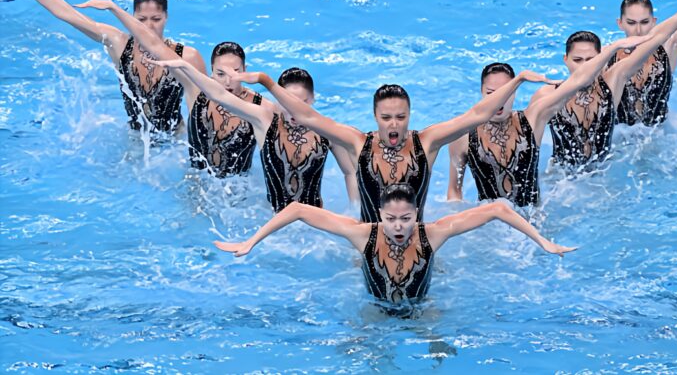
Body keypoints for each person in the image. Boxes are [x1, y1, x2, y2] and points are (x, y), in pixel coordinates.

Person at [77, 0, 359, 209]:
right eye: (220, 74)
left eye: (236, 73)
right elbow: (153, 44)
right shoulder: (204, 93)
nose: (228, 80)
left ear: (245, 71)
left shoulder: (266, 110)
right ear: (210, 74)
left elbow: (336, 147)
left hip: (239, 194)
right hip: (196, 184)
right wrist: (116, 10)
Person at [222, 68, 556, 222]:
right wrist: (267, 83)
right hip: (369, 245)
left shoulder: (428, 141)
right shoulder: (356, 141)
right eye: (386, 117)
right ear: (375, 116)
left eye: (400, 117)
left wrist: (518, 81)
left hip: (417, 242)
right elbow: (307, 117)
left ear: (410, 115)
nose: (393, 124)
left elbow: (478, 113)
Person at [215, 183, 575, 304]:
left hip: (422, 307)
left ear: (416, 214)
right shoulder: (363, 234)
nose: (399, 226)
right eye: (391, 219)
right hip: (374, 308)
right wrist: (251, 242)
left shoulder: (433, 232)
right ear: (380, 216)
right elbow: (295, 209)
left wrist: (543, 243)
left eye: (406, 219)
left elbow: (497, 209)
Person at [446, 34, 650, 206]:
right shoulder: (462, 136)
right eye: (491, 93)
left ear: (515, 94)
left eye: (505, 93)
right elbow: (454, 192)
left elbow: (578, 80)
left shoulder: (531, 120)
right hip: (490, 229)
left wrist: (612, 48)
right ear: (481, 92)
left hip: (535, 218)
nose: (498, 101)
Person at [0, 0, 207, 133]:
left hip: (174, 140)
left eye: (156, 19)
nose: (149, 26)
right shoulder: (119, 44)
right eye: (141, 19)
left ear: (166, 18)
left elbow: (205, 110)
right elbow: (67, 14)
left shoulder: (186, 56)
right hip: (135, 137)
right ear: (131, 17)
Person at [548, 0, 677, 167]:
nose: (638, 30)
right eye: (631, 23)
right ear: (620, 23)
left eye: (644, 22)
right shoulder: (609, 60)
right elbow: (583, 78)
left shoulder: (669, 46)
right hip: (620, 137)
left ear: (653, 22)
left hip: (659, 133)